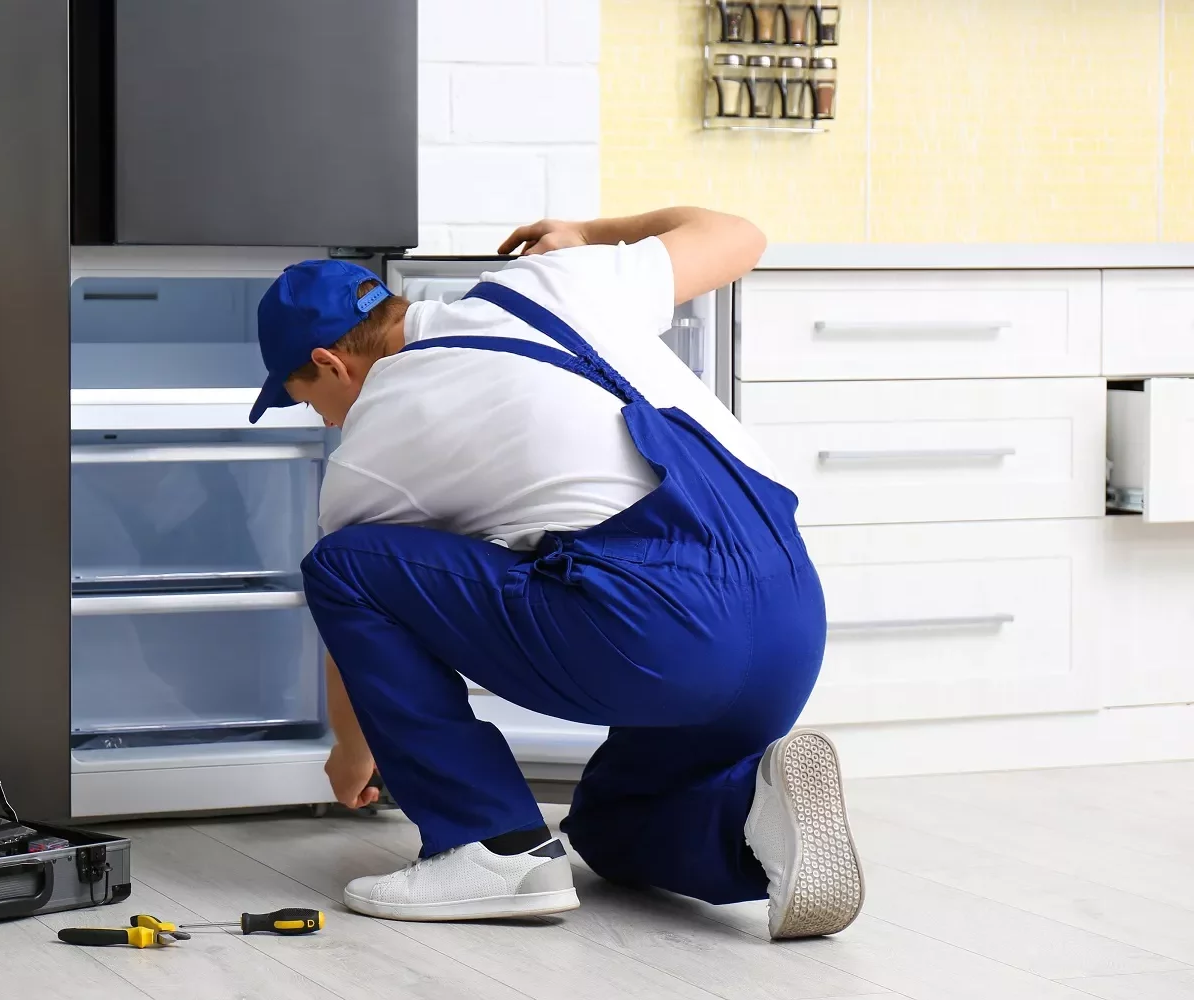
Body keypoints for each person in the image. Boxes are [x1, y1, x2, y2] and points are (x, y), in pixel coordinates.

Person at [245, 208, 864, 939]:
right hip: (788, 611)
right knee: (610, 827)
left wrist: (354, 750)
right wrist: (588, 233)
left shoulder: (376, 440)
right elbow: (740, 235)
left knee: (343, 566)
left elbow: (358, 607)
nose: (323, 421)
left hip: (664, 633)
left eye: (306, 400)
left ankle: (493, 846)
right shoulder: (556, 279)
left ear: (329, 363)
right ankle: (752, 821)